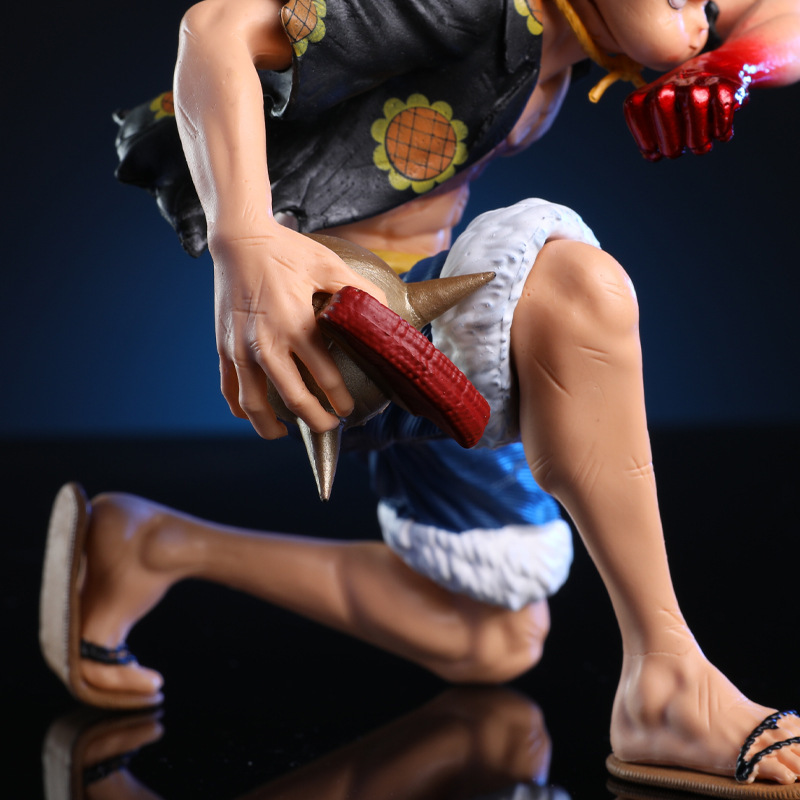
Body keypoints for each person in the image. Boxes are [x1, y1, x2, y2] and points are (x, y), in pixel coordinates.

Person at [40, 0, 800, 793]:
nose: (709, 13)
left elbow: (782, 17)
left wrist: (734, 65)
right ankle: (669, 678)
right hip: (331, 326)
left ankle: (148, 546)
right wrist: (246, 241)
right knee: (577, 294)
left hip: (421, 330)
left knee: (494, 635)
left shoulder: (571, 41)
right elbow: (218, 27)